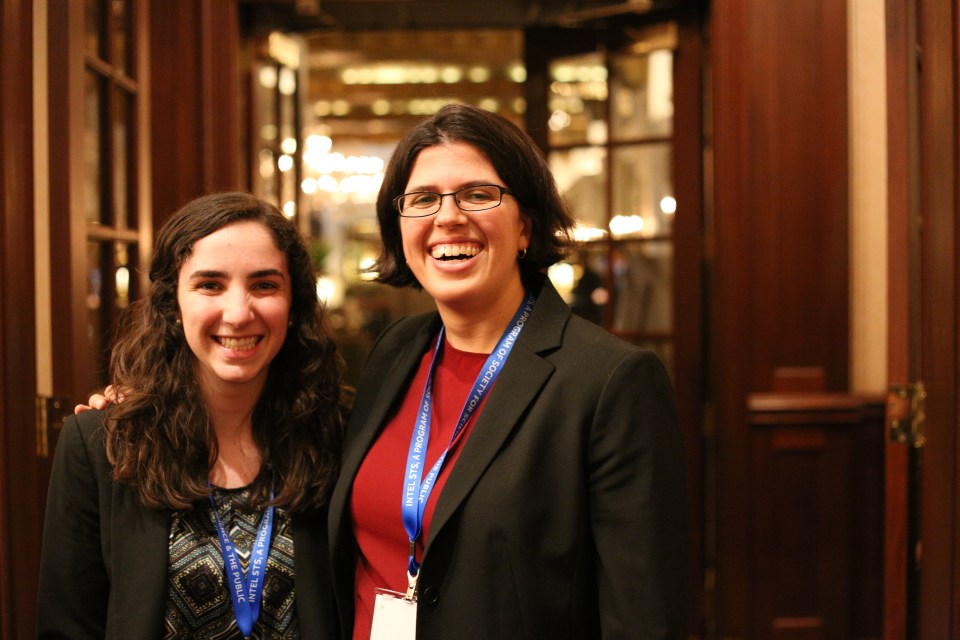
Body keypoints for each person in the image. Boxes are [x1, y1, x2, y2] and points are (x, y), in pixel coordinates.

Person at [328, 103, 688, 639]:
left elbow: (643, 618)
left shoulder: (610, 381)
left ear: (526, 225)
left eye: (477, 194)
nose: (447, 217)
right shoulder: (394, 352)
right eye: (423, 199)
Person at [41, 192, 343, 639]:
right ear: (173, 305)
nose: (238, 313)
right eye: (210, 285)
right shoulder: (102, 444)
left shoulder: (338, 435)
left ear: (294, 304)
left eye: (264, 285)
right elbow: (68, 628)